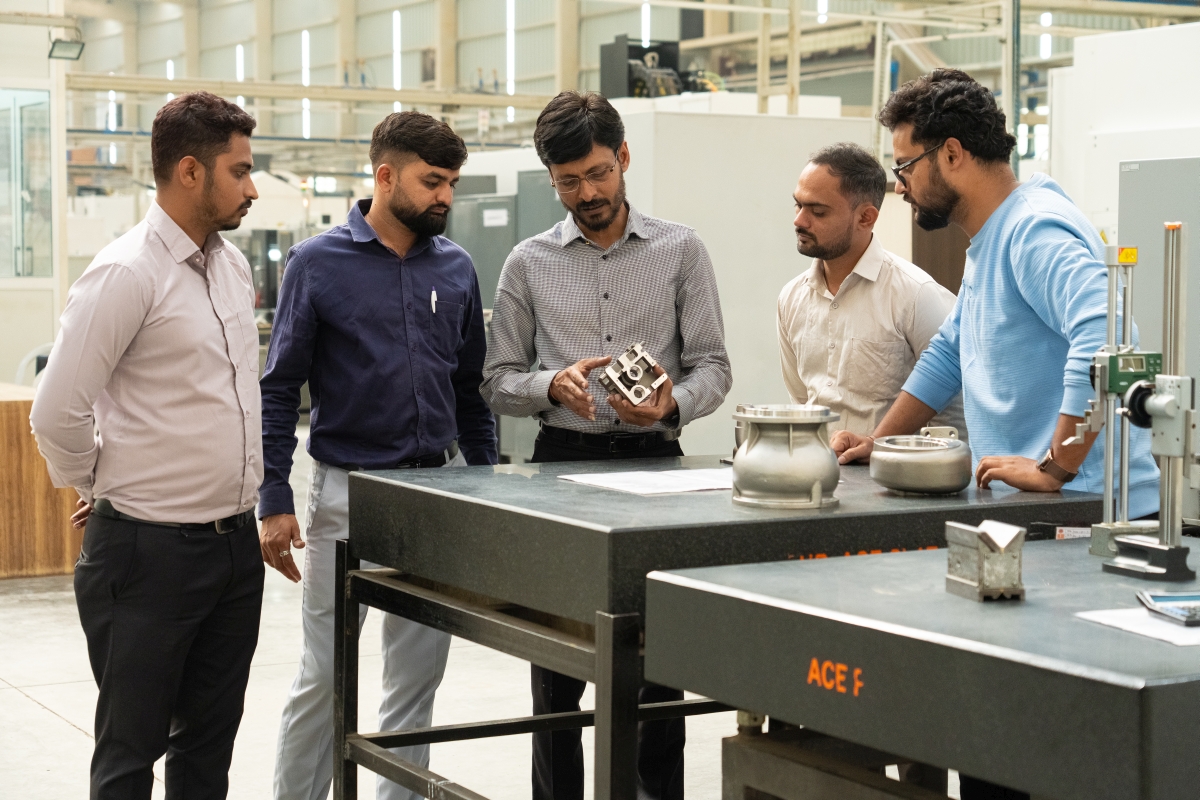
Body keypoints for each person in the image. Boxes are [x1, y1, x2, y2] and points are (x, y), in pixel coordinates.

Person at [831, 68, 1159, 799]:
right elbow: (950, 351)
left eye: (905, 166)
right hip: (1037, 523)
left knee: (1059, 748)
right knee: (1001, 741)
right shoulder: (989, 240)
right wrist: (878, 441)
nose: (900, 186)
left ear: (952, 156)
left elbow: (1107, 331)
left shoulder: (1035, 226)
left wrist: (1057, 465)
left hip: (1094, 523)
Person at [480, 90, 732, 800]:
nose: (587, 193)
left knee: (656, 674)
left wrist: (670, 405)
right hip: (561, 470)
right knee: (554, 677)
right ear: (549, 178)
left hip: (660, 472)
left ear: (623, 158)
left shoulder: (681, 250)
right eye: (568, 181)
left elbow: (714, 364)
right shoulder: (527, 264)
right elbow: (496, 381)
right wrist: (549, 385)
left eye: (597, 173)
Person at [29, 92, 262, 800]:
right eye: (240, 171)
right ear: (190, 173)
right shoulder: (126, 273)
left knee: (207, 747)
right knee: (131, 752)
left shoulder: (230, 268)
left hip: (233, 550)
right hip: (148, 557)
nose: (252, 188)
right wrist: (97, 485)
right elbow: (56, 410)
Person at [259, 111, 497, 800]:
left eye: (451, 182)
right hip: (346, 495)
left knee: (416, 678)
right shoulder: (317, 262)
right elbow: (278, 390)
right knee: (326, 673)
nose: (445, 198)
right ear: (384, 175)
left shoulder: (456, 268)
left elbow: (469, 390)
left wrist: (486, 488)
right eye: (432, 182)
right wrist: (273, 499)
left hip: (436, 495)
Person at [779, 142, 965, 439]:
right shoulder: (791, 298)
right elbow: (802, 400)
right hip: (818, 472)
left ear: (865, 218)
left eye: (818, 211)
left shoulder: (917, 295)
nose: (799, 220)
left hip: (895, 477)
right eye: (798, 205)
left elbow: (957, 412)